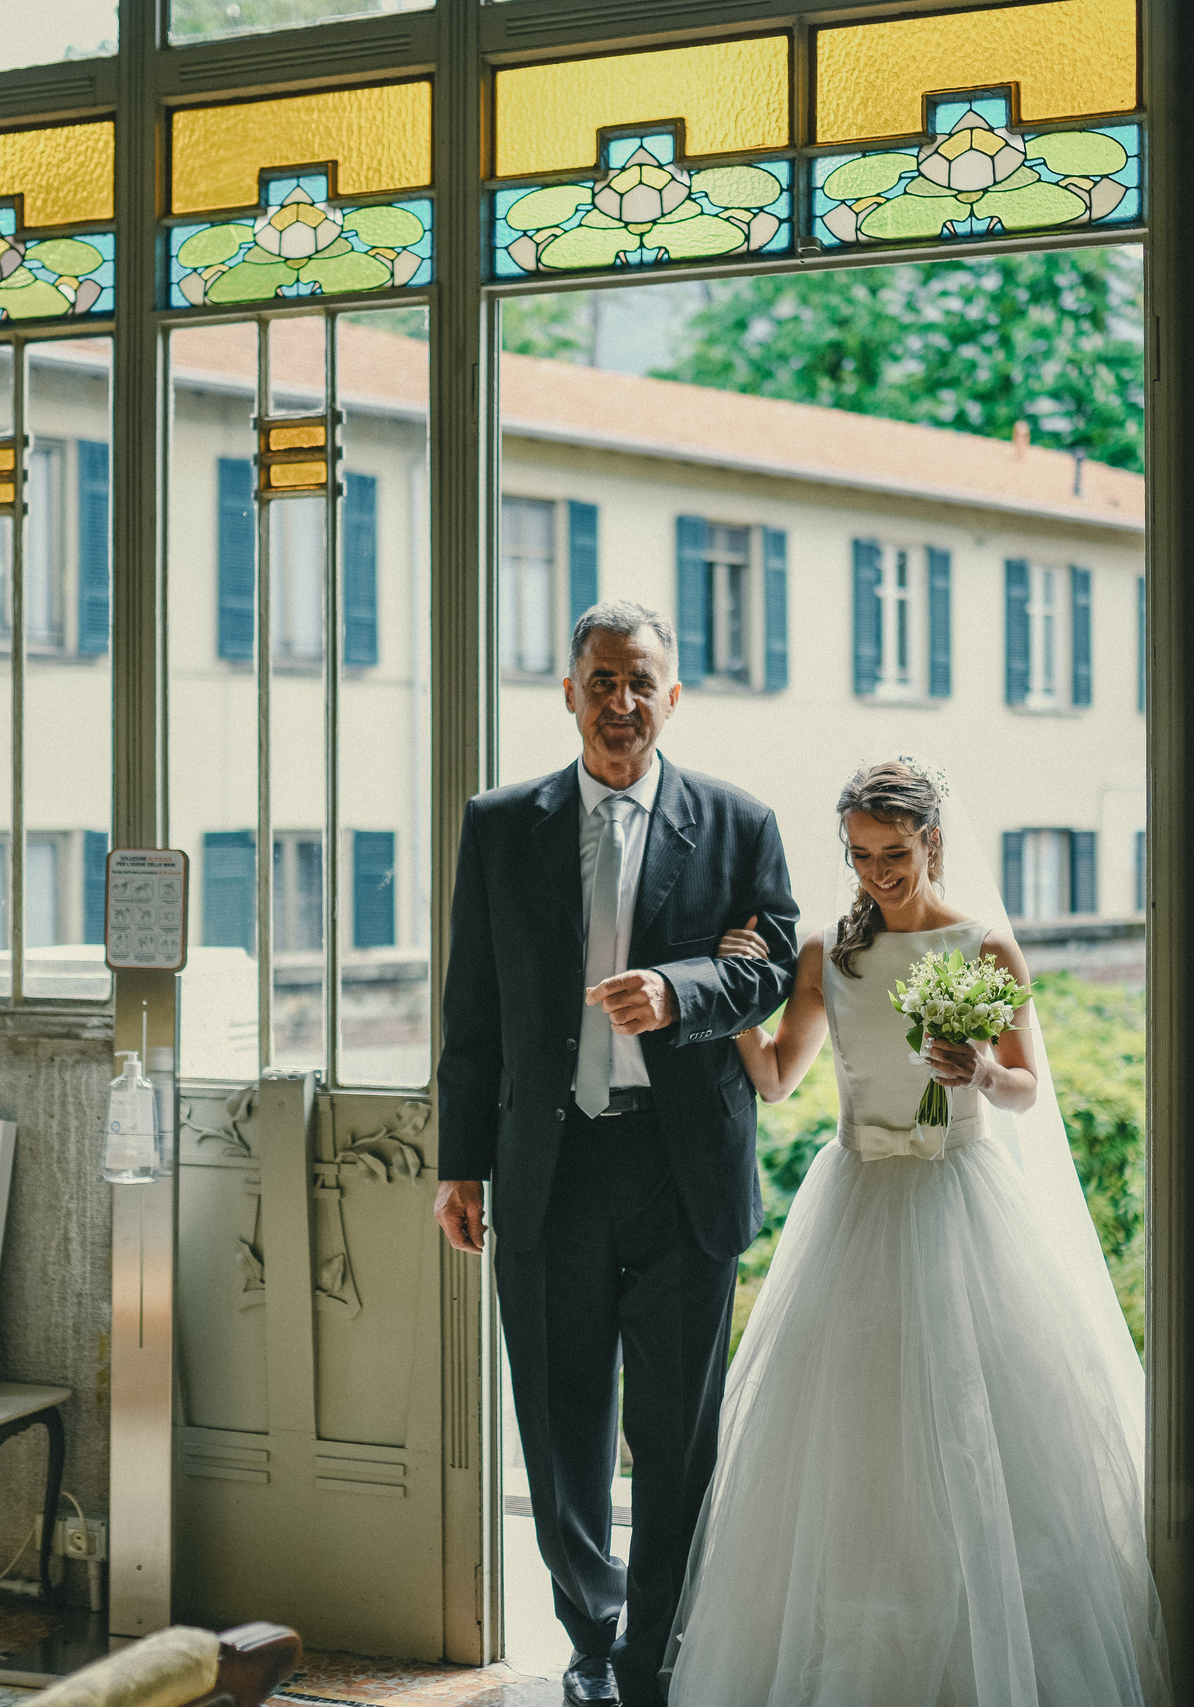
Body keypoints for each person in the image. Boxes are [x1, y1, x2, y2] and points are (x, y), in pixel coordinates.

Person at [662, 759, 1168, 1707]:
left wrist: (980, 1071)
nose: (877, 873)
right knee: (859, 1440)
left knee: (975, 1429)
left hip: (960, 1202)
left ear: (932, 841)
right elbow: (777, 1077)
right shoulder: (830, 953)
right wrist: (732, 994)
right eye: (860, 856)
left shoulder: (985, 949)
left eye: (893, 853)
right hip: (856, 1206)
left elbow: (1026, 1089)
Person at [433, 600, 800, 1707]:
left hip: (682, 1172)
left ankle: (655, 1651)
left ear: (672, 697)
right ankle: (590, 1635)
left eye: (642, 682)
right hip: (549, 1169)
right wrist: (461, 1164)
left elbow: (772, 965)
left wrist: (680, 990)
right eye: (602, 680)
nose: (622, 702)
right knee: (558, 1423)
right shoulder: (501, 825)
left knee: (674, 1434)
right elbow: (473, 1009)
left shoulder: (739, 824)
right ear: (569, 692)